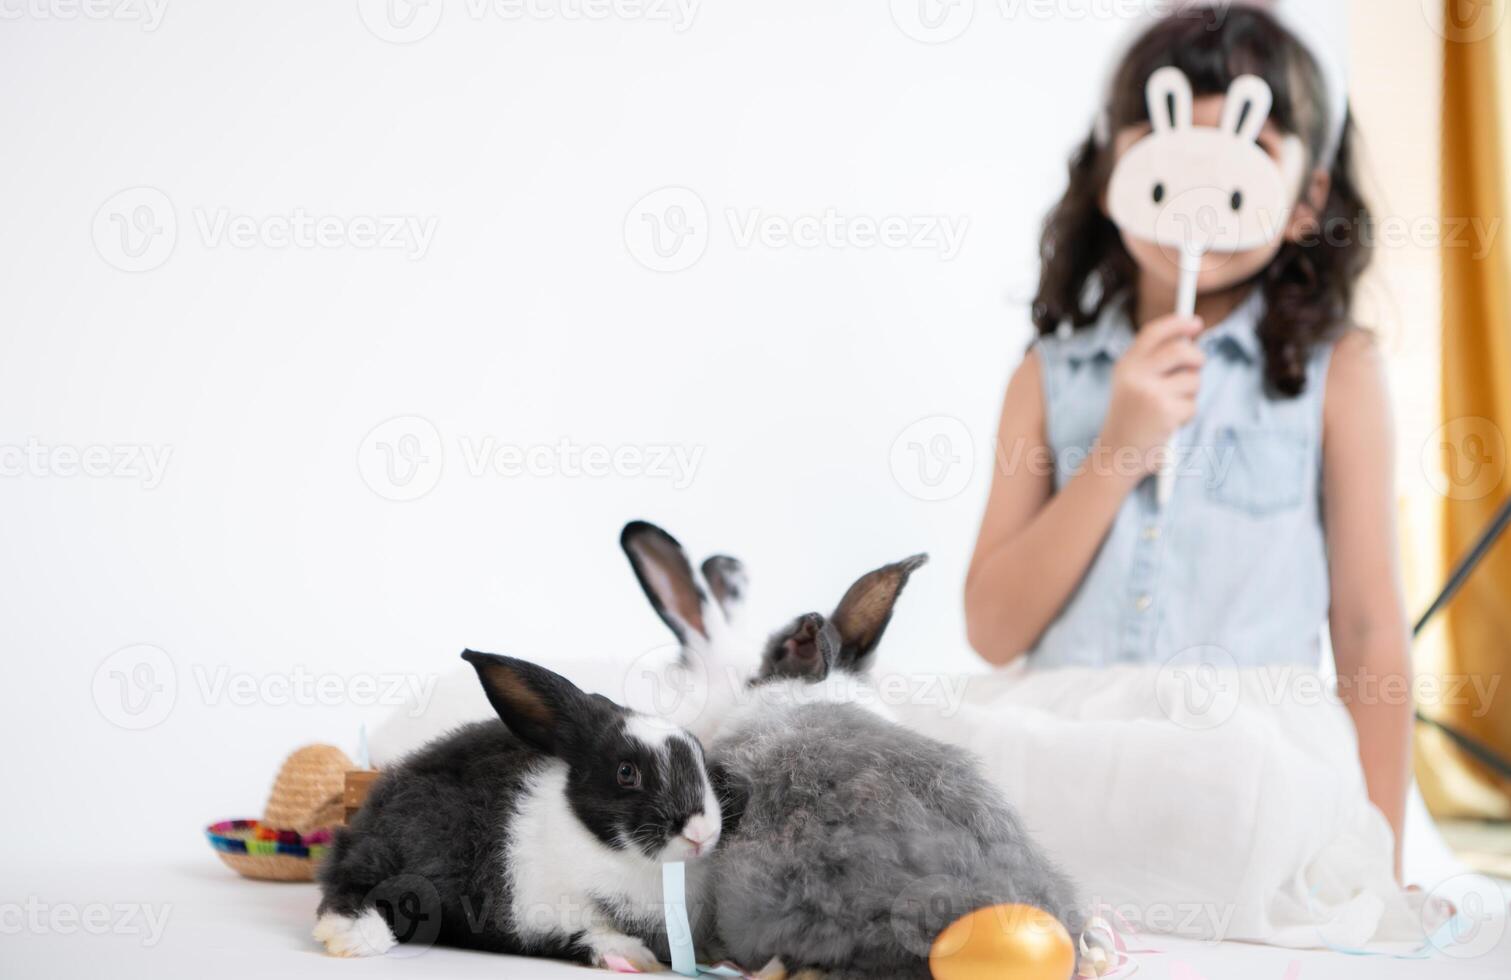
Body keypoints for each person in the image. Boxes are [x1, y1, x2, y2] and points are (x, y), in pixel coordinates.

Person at [964, 6, 1411, 875]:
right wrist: (1117, 451)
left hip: (1246, 791)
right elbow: (990, 628)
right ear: (1111, 172)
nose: (1199, 193)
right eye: (1165, 151)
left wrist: (1380, 863)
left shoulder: (1339, 374)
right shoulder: (1045, 378)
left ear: (1303, 200)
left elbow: (1365, 629)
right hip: (1066, 778)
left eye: (1239, 157)